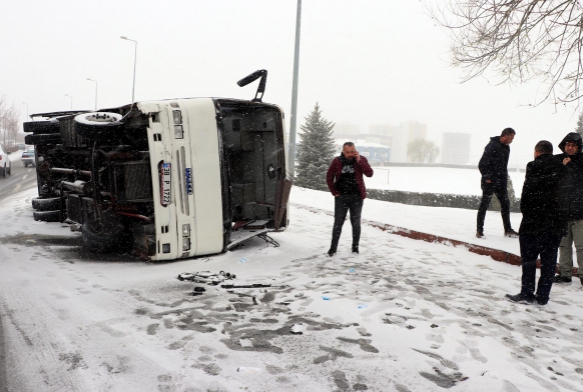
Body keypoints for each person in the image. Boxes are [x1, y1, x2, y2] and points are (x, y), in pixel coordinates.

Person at [506, 140, 567, 306]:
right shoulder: (562, 169)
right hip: (554, 225)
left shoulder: (533, 166)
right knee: (549, 263)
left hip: (533, 223)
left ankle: (527, 293)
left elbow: (527, 196)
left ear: (537, 152)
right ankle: (543, 297)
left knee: (529, 260)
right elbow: (565, 198)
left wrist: (528, 214)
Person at [326, 142, 373, 256]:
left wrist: (359, 161)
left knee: (356, 223)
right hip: (341, 197)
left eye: (353, 151)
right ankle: (333, 249)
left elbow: (369, 173)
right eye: (348, 152)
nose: (351, 154)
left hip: (357, 197)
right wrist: (335, 192)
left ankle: (355, 248)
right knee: (338, 223)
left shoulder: (361, 160)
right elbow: (329, 177)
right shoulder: (337, 161)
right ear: (343, 151)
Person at [477, 128, 519, 238]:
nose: (511, 141)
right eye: (511, 138)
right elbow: (482, 163)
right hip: (490, 181)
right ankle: (479, 230)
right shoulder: (492, 146)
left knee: (505, 204)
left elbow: (503, 166)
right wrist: (488, 177)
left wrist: (504, 177)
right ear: (505, 136)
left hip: (501, 181)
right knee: (484, 205)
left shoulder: (507, 148)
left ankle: (508, 229)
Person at [553, 133, 583, 286]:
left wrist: (569, 166)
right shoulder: (557, 160)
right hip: (562, 211)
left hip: (580, 211)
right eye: (567, 145)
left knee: (581, 246)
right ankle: (565, 274)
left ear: (578, 147)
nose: (570, 147)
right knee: (563, 245)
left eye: (573, 145)